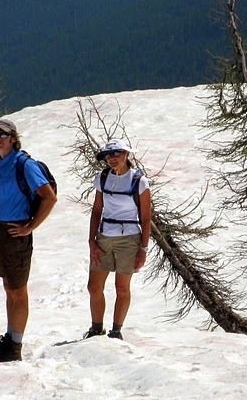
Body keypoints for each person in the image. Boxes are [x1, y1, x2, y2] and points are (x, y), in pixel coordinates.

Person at [0, 119, 57, 362]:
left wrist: (30, 226)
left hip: (16, 233)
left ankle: (15, 347)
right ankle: (10, 339)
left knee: (18, 290)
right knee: (9, 287)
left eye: (3, 134)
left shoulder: (24, 164)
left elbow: (49, 197)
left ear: (13, 137)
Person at [84, 139, 151, 341]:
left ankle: (116, 331)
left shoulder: (139, 181)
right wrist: (92, 241)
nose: (112, 159)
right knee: (94, 287)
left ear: (126, 154)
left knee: (122, 288)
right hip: (105, 236)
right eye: (108, 155)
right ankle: (96, 328)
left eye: (116, 154)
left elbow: (146, 217)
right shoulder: (102, 178)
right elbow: (97, 210)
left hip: (129, 238)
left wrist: (143, 249)